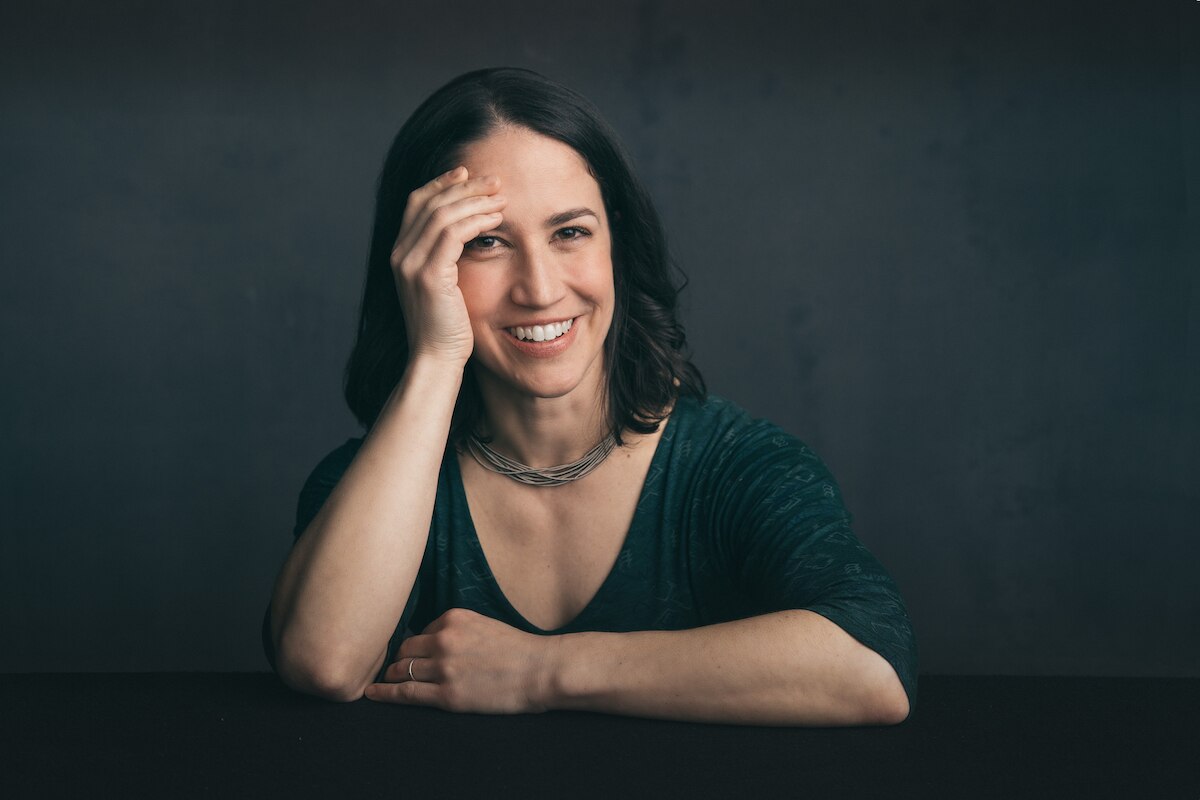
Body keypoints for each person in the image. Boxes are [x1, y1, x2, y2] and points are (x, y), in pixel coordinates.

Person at [264, 67, 917, 726]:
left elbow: (872, 666)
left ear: (618, 246)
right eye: (485, 242)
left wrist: (543, 671)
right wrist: (435, 357)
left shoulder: (739, 468)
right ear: (421, 267)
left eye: (570, 232)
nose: (541, 289)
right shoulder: (369, 485)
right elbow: (325, 661)